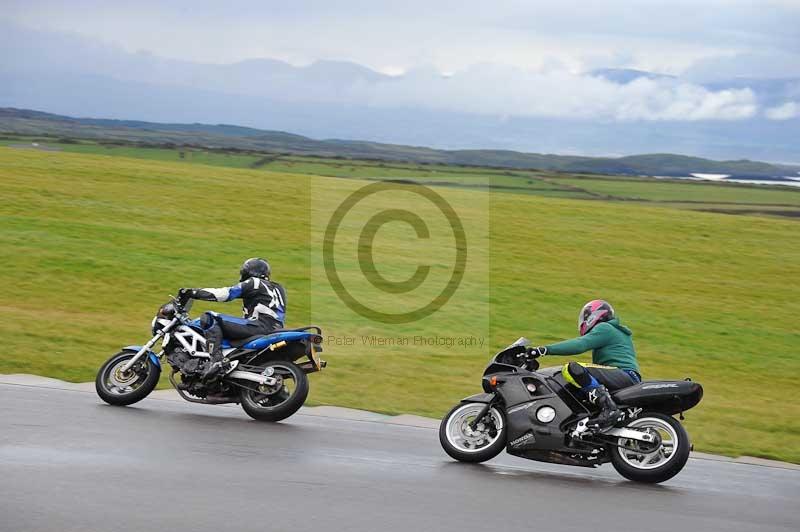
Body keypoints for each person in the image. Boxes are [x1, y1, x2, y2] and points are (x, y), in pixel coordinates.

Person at [532, 300, 641, 433]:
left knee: (573, 369)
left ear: (595, 315)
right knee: (576, 385)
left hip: (623, 374)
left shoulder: (605, 328)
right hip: (625, 376)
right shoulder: (615, 331)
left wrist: (543, 350)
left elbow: (580, 345)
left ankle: (609, 408)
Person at [179, 257, 287, 381]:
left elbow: (226, 294)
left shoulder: (255, 282)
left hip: (259, 326)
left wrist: (192, 293)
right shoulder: (278, 288)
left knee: (210, 318)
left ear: (249, 272)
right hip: (275, 329)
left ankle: (215, 361)